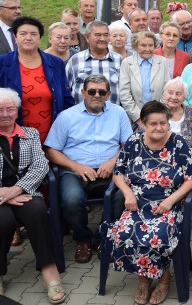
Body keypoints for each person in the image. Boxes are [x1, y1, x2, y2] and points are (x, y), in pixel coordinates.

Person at [106, 101, 192, 305]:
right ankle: (145, 278)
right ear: (143, 125)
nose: (159, 127)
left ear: (168, 123)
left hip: (168, 203)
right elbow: (118, 172)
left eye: (163, 123)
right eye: (153, 123)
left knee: (157, 235)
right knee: (123, 232)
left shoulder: (178, 143)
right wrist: (127, 193)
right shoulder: (133, 142)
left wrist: (171, 199)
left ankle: (163, 279)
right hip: (137, 203)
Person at [44, 74, 132, 263]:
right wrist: (75, 166)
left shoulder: (118, 113)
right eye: (92, 91)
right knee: (71, 199)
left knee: (123, 196)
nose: (96, 95)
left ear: (108, 94)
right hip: (76, 170)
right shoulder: (67, 116)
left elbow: (129, 146)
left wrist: (113, 162)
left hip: (110, 169)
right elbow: (51, 150)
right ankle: (83, 239)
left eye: (102, 92)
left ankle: (103, 236)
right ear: (83, 93)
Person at [0, 88, 67, 303]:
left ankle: (49, 270)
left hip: (26, 191)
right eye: (0, 110)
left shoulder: (30, 134)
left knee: (38, 212)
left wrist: (16, 190)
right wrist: (5, 195)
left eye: (10, 109)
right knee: (3, 220)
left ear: (17, 111)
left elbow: (40, 166)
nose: (5, 114)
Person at [0, 16, 74, 143]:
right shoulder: (2, 63)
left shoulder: (55, 63)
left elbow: (66, 98)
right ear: (15, 37)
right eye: (23, 33)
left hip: (52, 135)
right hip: (13, 136)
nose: (28, 38)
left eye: (34, 34)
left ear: (40, 38)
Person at [66, 20, 123, 105]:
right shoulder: (75, 60)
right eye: (98, 35)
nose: (102, 39)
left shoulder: (119, 60)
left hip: (112, 116)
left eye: (106, 35)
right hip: (81, 116)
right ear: (87, 38)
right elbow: (66, 90)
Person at [119, 32, 171, 125]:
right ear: (136, 46)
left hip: (159, 117)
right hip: (135, 120)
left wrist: (159, 114)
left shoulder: (162, 62)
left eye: (150, 45)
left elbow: (167, 89)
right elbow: (124, 93)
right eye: (143, 45)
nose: (147, 49)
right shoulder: (127, 63)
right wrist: (139, 118)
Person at [161, 77, 192, 153]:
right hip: (160, 157)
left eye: (178, 94)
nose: (174, 97)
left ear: (184, 97)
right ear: (164, 94)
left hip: (187, 156)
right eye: (170, 93)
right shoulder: (155, 112)